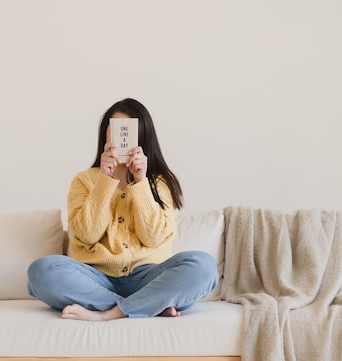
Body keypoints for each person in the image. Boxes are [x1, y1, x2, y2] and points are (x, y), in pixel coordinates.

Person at [27, 98, 218, 321]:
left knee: (202, 266)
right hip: (94, 278)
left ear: (143, 136)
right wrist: (104, 181)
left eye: (129, 132)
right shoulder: (84, 181)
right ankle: (150, 304)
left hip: (148, 275)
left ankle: (110, 313)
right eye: (116, 131)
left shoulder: (160, 182)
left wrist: (140, 182)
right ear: (105, 135)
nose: (122, 139)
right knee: (41, 270)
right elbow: (87, 234)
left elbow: (153, 236)